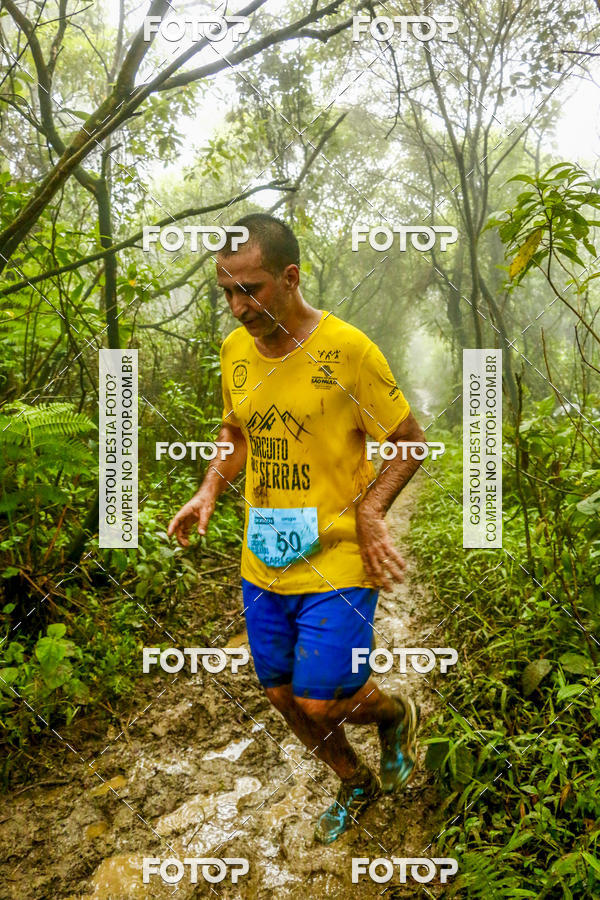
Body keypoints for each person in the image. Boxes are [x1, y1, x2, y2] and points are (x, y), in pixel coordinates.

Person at [167, 213, 427, 844]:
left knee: (321, 699)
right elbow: (236, 431)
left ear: (290, 277)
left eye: (249, 290)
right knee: (283, 696)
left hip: (337, 558)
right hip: (264, 558)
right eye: (226, 292)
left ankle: (394, 713)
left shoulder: (350, 351)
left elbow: (408, 442)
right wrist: (208, 487)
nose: (237, 307)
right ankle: (353, 780)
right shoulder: (234, 351)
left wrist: (371, 510)